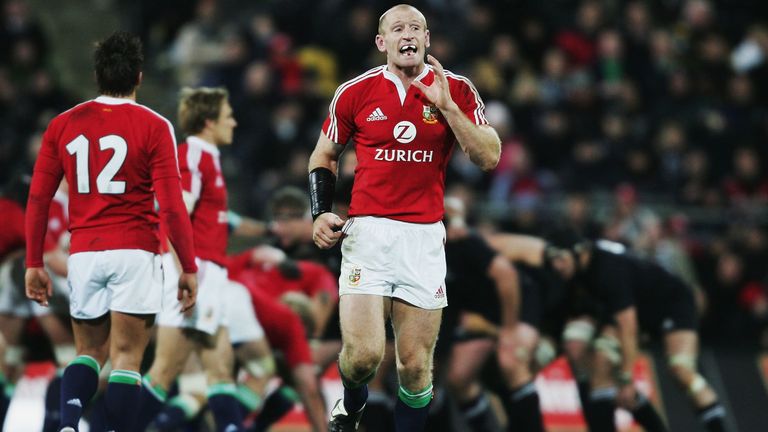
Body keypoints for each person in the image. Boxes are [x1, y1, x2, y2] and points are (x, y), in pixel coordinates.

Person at [308, 4, 501, 431]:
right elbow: (324, 155)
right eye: (398, 28)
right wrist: (320, 212)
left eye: (416, 27)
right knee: (363, 357)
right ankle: (352, 403)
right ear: (383, 43)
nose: (407, 34)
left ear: (427, 39)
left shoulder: (458, 89)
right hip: (368, 234)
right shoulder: (355, 91)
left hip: (424, 237)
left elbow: (489, 156)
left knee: (415, 368)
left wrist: (448, 109)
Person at [24, 31, 198, 432]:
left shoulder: (62, 125)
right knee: (126, 359)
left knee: (87, 352)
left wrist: (34, 261)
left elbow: (38, 200)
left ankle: (68, 423)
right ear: (138, 77)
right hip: (135, 251)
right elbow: (172, 208)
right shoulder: (155, 126)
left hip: (83, 252)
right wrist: (188, 266)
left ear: (97, 75)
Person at [489, 231, 730, 432]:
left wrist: (627, 376)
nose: (556, 265)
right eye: (553, 259)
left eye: (561, 259)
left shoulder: (606, 271)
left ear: (579, 254)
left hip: (670, 303)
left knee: (681, 369)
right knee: (587, 354)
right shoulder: (574, 268)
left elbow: (628, 324)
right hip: (628, 311)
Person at [137, 86, 244, 432]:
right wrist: (185, 271)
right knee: (165, 370)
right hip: (194, 271)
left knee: (220, 370)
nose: (235, 122)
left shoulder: (208, 156)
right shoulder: (192, 155)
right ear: (209, 121)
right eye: (228, 115)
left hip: (209, 271)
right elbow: (175, 216)